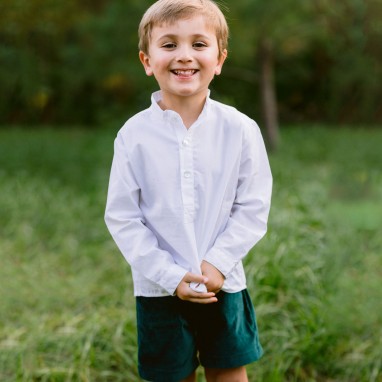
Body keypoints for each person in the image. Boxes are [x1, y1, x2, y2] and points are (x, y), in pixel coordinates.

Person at [104, 0, 272, 381]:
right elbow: (123, 217)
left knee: (228, 371)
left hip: (222, 282)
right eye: (169, 45)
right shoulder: (133, 136)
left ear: (220, 59)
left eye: (199, 44)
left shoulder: (240, 130)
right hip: (159, 288)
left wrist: (216, 264)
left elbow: (252, 208)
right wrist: (170, 275)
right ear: (147, 61)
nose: (184, 55)